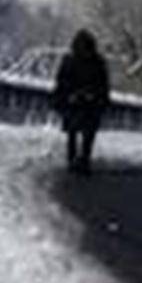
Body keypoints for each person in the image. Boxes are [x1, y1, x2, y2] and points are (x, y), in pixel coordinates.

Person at [53, 27, 112, 175]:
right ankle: (83, 160)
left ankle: (75, 159)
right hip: (86, 103)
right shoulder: (98, 62)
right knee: (87, 133)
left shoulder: (69, 61)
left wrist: (67, 96)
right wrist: (95, 96)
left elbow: (61, 81)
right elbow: (103, 84)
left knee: (74, 132)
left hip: (76, 102)